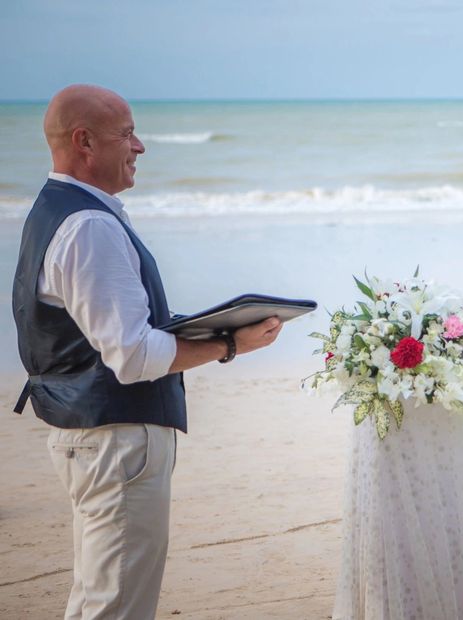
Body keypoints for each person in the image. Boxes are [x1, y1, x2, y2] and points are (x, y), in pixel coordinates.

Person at [11, 84, 284, 620]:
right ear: (84, 141)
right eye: (128, 134)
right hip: (116, 442)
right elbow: (132, 356)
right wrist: (230, 342)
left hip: (95, 436)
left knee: (100, 596)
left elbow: (106, 331)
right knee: (115, 606)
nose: (140, 147)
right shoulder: (89, 225)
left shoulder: (62, 210)